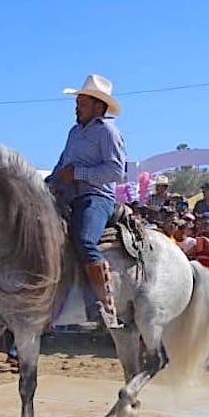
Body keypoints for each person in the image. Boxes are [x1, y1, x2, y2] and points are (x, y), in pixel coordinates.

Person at [45, 74, 127, 330]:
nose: (76, 106)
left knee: (83, 240)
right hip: (69, 196)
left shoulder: (107, 132)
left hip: (96, 197)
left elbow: (117, 172)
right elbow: (62, 164)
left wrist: (78, 174)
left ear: (98, 106)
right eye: (77, 101)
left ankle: (104, 304)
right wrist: (49, 184)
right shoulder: (74, 132)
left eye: (82, 101)